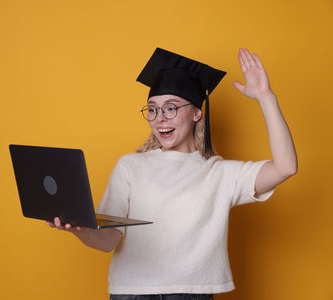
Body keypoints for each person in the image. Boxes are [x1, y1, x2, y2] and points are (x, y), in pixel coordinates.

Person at [46, 48, 297, 300]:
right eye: (152, 109)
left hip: (191, 295)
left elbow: (285, 166)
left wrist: (266, 97)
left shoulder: (221, 173)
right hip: (131, 294)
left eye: (171, 108)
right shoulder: (130, 166)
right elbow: (109, 240)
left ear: (197, 113)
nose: (159, 119)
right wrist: (80, 230)